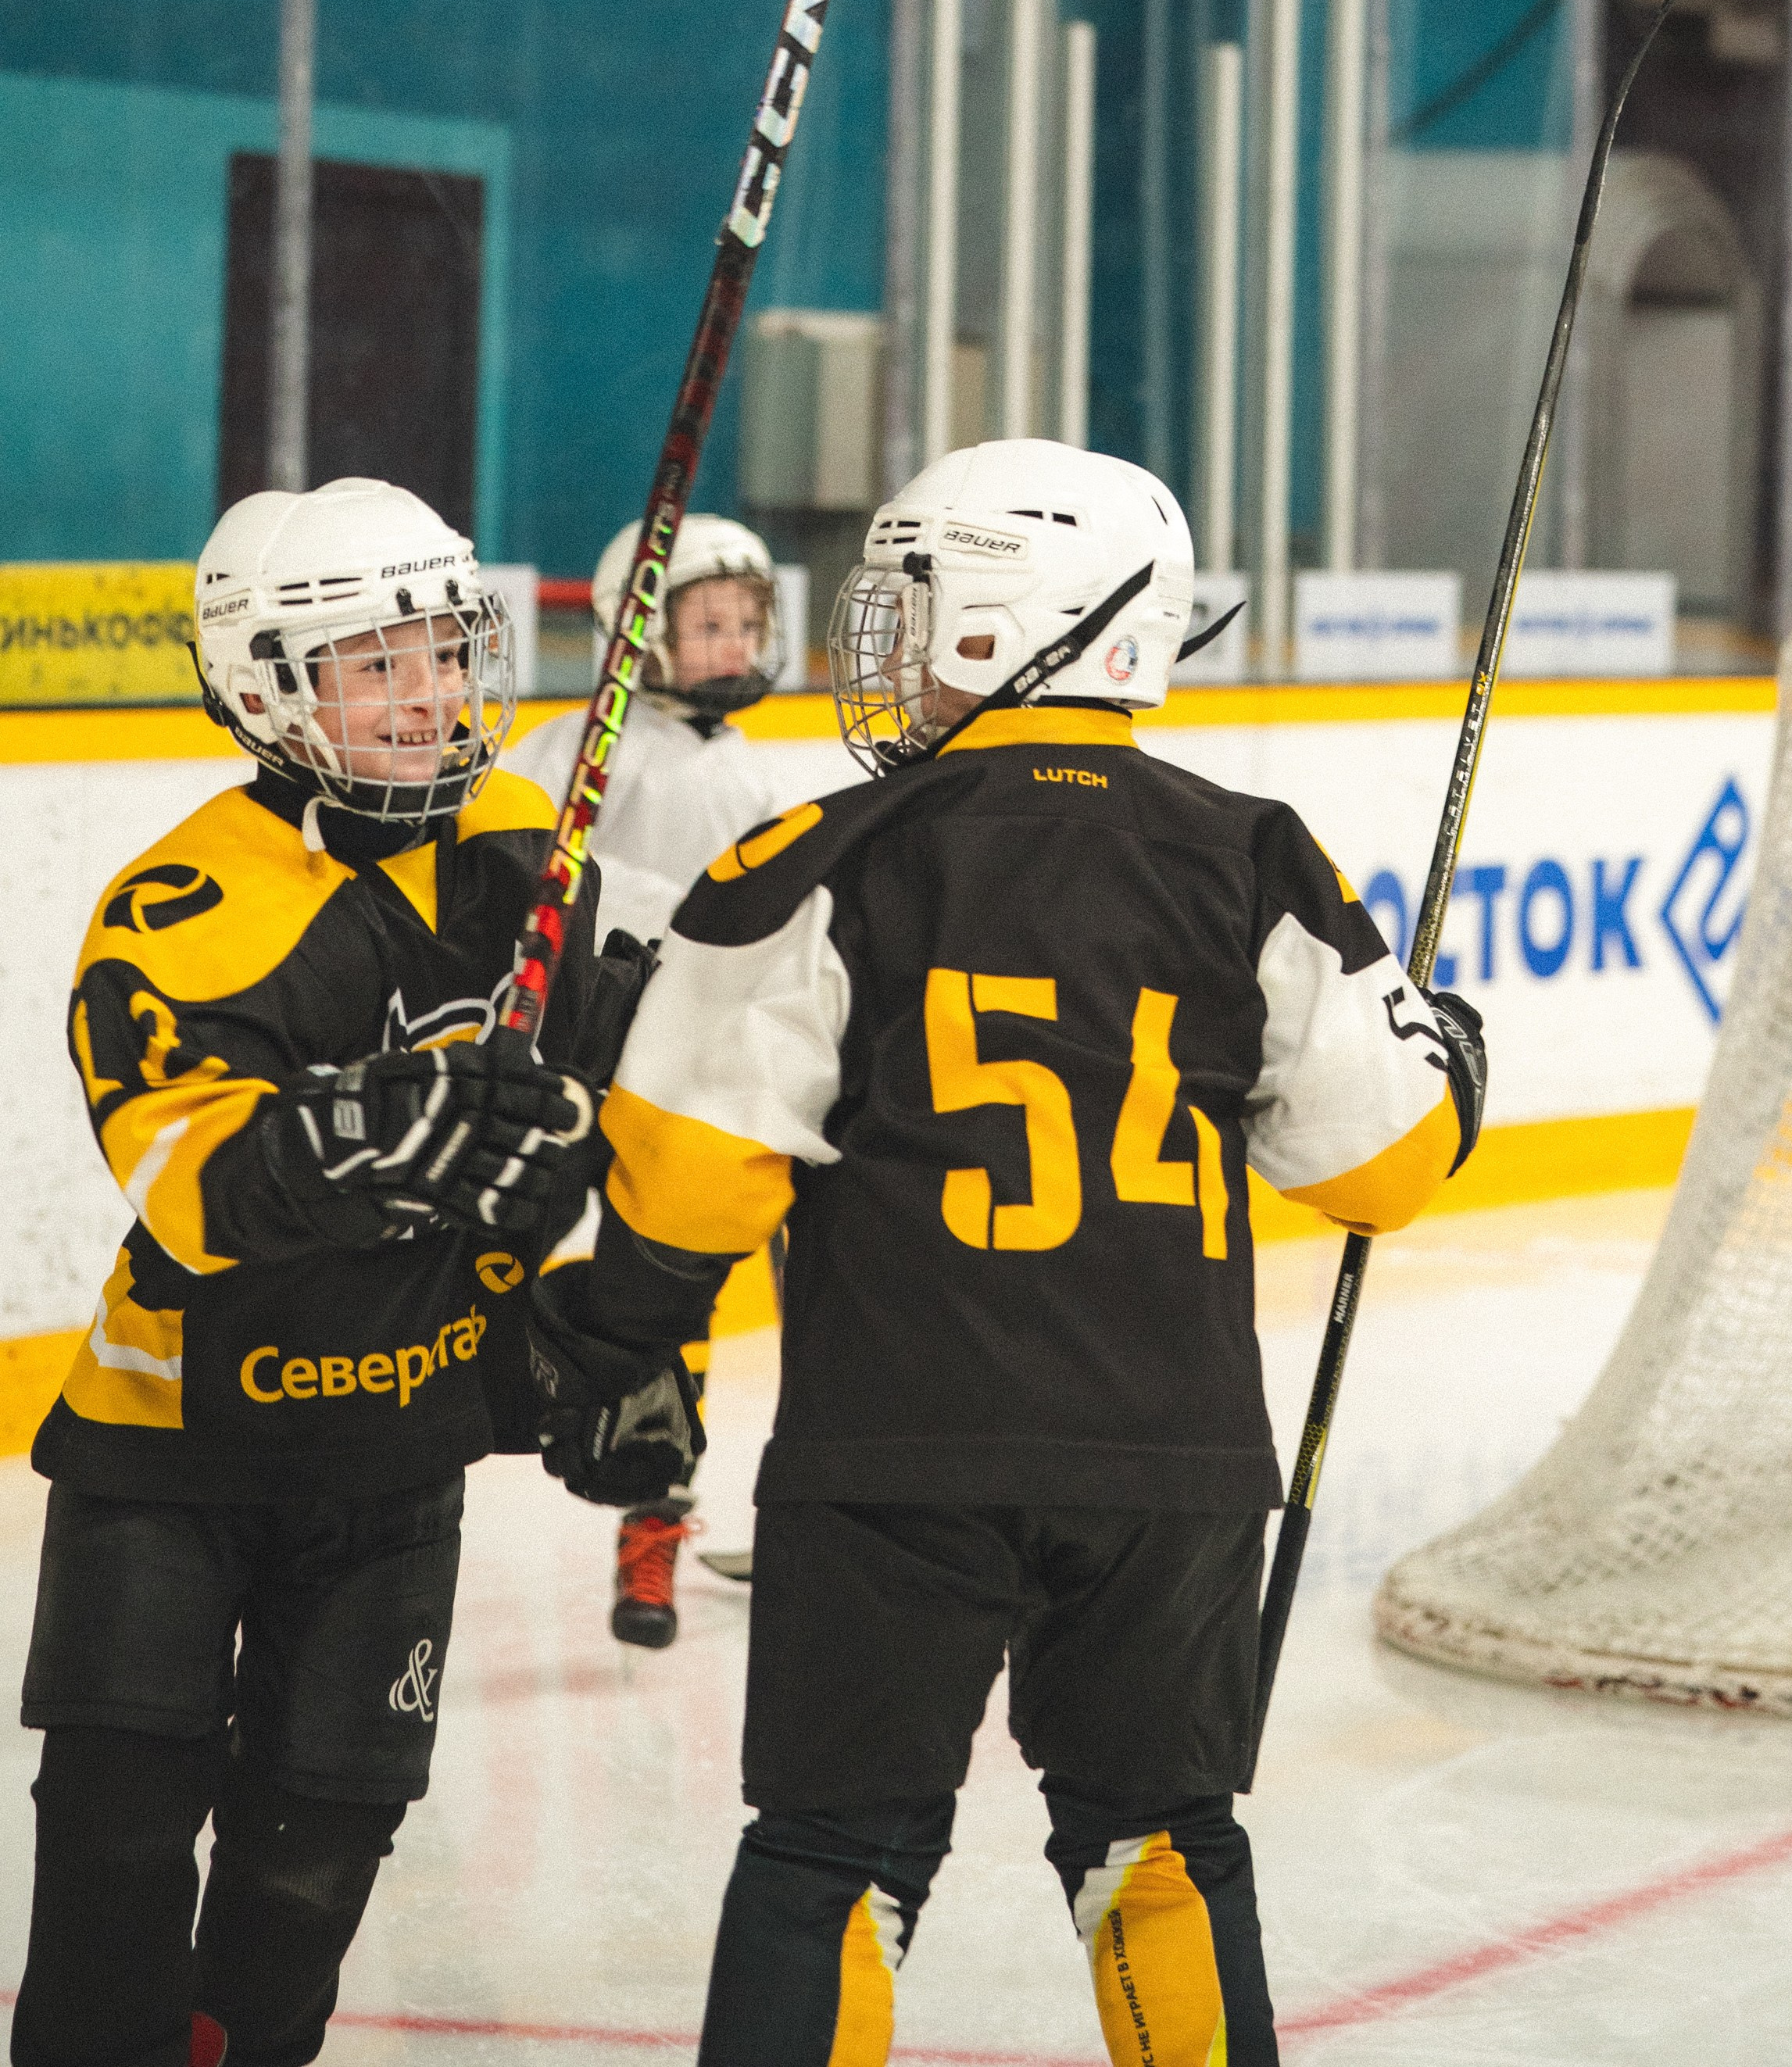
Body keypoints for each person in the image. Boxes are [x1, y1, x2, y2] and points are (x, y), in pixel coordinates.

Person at [524, 438, 1486, 2067]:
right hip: (1171, 1460)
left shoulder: (814, 856)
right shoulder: (1258, 856)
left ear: (1006, 625)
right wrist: (1451, 1050)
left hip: (892, 1452)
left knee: (837, 1857)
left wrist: (597, 1329)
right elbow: (1387, 1168)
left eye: (917, 605)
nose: (880, 645)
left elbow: (693, 1190)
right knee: (1165, 1851)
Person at [15, 477, 644, 2067]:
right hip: (173, 1456)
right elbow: (196, 1188)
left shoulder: (528, 853)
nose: (431, 691)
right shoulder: (184, 908)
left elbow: (622, 1120)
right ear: (264, 687)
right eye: (378, 662)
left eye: (444, 647)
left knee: (310, 1871)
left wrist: (626, 1333)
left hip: (395, 1454)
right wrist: (366, 1126)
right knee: (116, 1859)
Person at [510, 513, 784, 1648]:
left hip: (695, 1085)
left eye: (747, 621)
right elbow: (521, 868)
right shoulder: (578, 750)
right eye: (706, 621)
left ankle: (653, 1535)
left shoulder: (752, 771)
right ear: (641, 632)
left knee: (670, 1303)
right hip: (576, 1069)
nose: (732, 642)